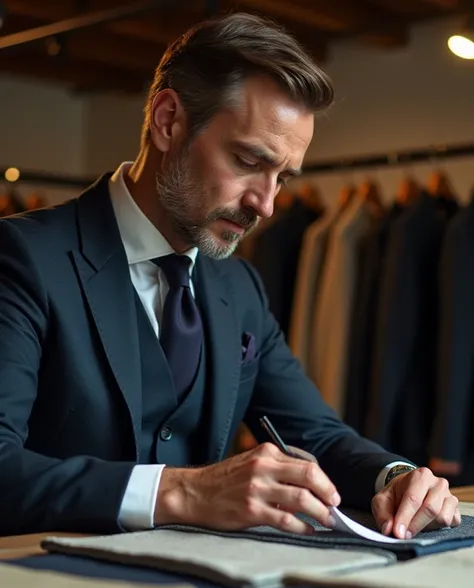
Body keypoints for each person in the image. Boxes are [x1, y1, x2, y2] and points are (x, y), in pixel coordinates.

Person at [0, 12, 460, 538]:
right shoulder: (20, 257)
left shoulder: (240, 288)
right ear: (169, 119)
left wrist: (395, 476)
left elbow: (317, 435)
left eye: (283, 177)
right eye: (247, 160)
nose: (265, 205)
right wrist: (183, 491)